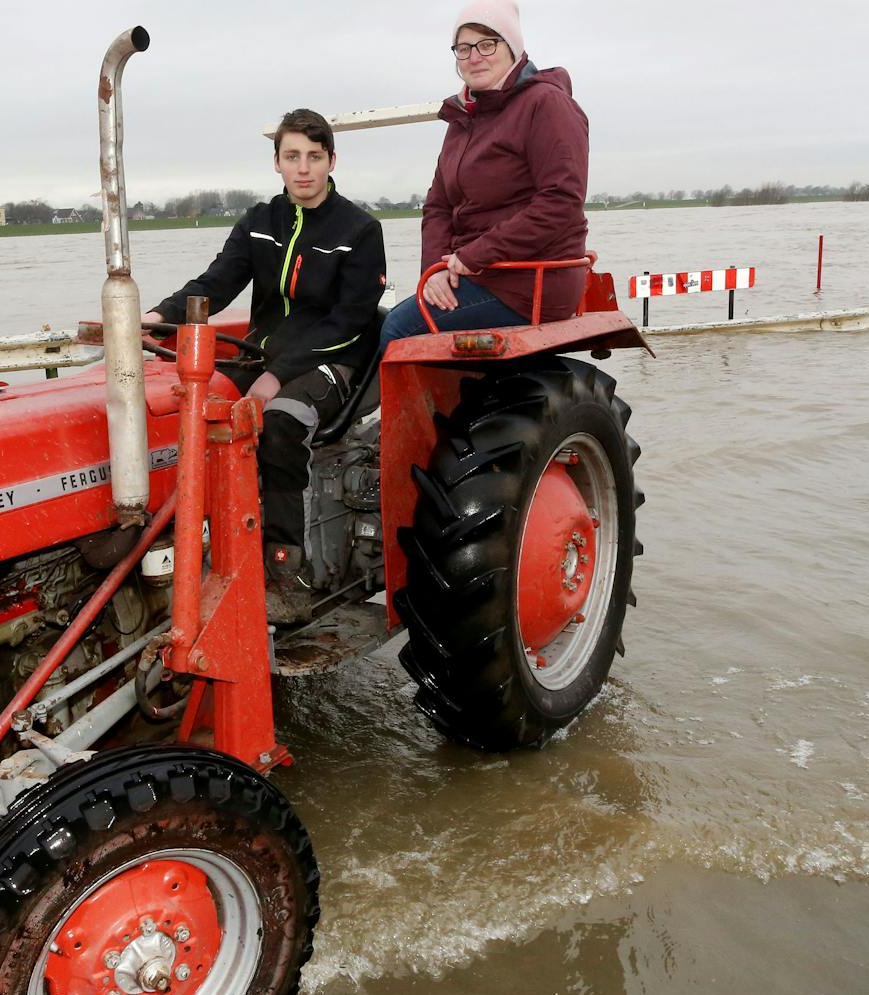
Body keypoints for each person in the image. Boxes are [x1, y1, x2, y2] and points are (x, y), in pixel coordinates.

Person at [145, 108, 387, 626]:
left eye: (314, 157)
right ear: (276, 162)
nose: (303, 168)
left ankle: (287, 572)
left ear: (331, 162)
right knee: (184, 408)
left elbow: (350, 320)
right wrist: (156, 317)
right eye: (292, 156)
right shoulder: (260, 223)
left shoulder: (360, 230)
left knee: (278, 422)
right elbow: (215, 283)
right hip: (263, 352)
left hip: (336, 360)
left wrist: (278, 375)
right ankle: (196, 547)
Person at [377, 0, 590, 351]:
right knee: (382, 317)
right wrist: (434, 270)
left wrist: (472, 256)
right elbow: (437, 206)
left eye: (487, 44)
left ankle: (418, 409)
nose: (474, 57)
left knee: (400, 329)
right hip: (477, 273)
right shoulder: (464, 119)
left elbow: (561, 201)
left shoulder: (546, 105)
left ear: (513, 48)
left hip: (529, 281)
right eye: (463, 48)